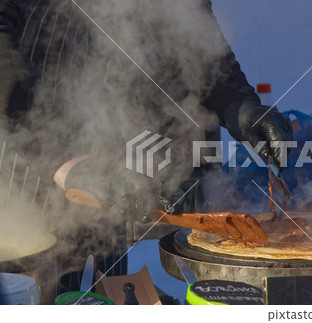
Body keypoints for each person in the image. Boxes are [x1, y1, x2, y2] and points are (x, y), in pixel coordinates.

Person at [0, 0, 293, 296]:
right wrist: (59, 160)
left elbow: (199, 41)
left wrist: (237, 103)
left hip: (107, 175)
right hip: (26, 176)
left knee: (104, 294)